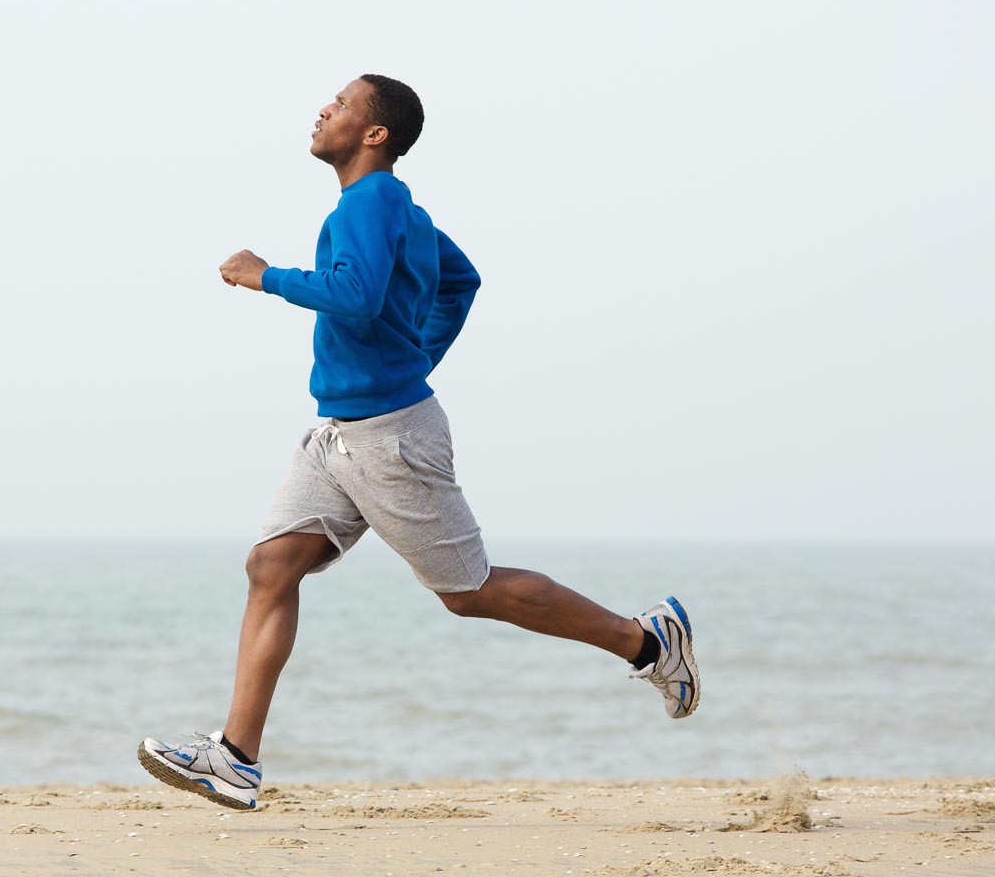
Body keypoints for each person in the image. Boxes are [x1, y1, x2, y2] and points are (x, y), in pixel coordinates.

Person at [138, 75, 699, 810]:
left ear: (375, 134)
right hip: (340, 429)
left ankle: (649, 643)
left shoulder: (371, 201)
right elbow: (460, 281)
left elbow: (358, 294)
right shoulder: (395, 207)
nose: (322, 110)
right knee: (271, 566)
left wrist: (264, 276)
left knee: (469, 592)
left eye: (339, 104)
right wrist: (413, 356)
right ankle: (235, 758)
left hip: (389, 437)